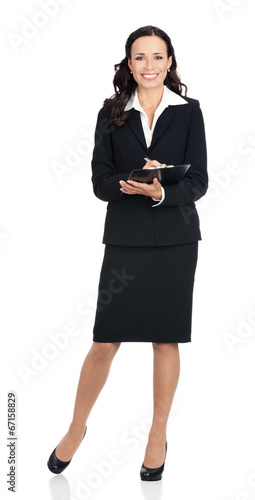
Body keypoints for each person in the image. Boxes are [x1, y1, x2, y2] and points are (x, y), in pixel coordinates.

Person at [47, 25, 208, 481]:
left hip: (177, 241)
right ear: (129, 63)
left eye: (159, 57)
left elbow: (199, 181)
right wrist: (128, 183)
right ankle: (77, 428)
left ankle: (158, 434)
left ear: (170, 62)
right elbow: (99, 181)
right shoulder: (111, 112)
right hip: (125, 239)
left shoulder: (190, 112)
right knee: (105, 341)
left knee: (166, 338)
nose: (150, 66)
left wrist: (160, 190)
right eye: (141, 58)